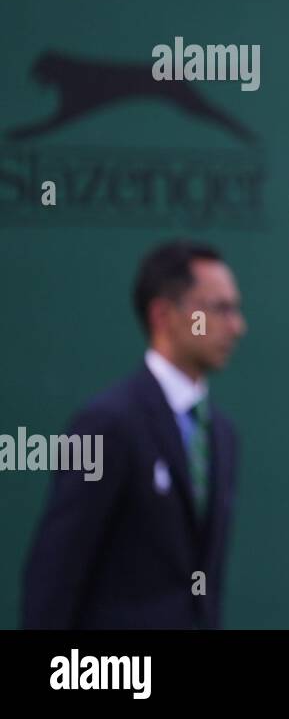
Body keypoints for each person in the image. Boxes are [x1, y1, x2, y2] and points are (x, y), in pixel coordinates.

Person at [23, 240, 245, 628]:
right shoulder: (106, 425)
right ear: (163, 314)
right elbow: (54, 577)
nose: (237, 326)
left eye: (235, 309)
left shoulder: (222, 436)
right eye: (219, 309)